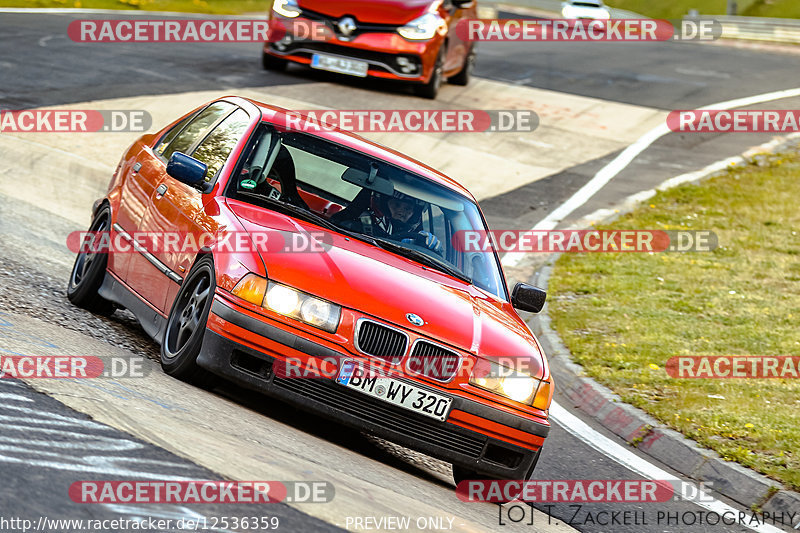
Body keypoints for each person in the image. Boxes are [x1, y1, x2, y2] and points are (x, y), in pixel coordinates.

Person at [332, 190, 442, 254]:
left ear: (414, 214)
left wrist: (431, 249)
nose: (401, 212)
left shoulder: (418, 240)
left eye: (408, 208)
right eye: (397, 205)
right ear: (383, 206)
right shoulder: (354, 226)